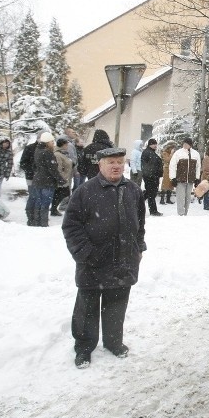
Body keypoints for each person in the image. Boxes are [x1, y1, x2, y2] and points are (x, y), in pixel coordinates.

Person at [62, 147, 146, 369]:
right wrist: (85, 253)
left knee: (117, 304)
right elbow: (71, 226)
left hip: (124, 259)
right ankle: (84, 347)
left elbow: (140, 224)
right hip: (93, 261)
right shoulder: (86, 191)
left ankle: (113, 342)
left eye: (119, 161)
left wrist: (139, 248)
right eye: (110, 162)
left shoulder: (134, 190)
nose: (116, 166)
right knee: (87, 307)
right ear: (100, 165)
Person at [29, 132, 64, 227]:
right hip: (47, 181)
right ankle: (44, 223)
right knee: (45, 203)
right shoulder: (47, 152)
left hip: (38, 180)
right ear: (48, 142)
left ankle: (37, 222)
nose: (53, 143)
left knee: (38, 202)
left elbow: (34, 165)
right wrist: (60, 179)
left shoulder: (37, 150)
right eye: (52, 141)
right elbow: (52, 168)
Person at [169, 137, 200, 216]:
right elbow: (172, 165)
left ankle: (185, 213)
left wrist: (197, 178)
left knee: (187, 198)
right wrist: (173, 178)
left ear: (190, 145)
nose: (185, 145)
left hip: (190, 179)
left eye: (187, 144)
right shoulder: (178, 153)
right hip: (180, 179)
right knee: (181, 197)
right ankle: (181, 214)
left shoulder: (196, 154)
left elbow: (198, 167)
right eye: (184, 143)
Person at [51, 138, 74, 217]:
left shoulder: (63, 153)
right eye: (66, 145)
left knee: (63, 193)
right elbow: (59, 167)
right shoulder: (58, 154)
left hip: (66, 177)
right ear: (63, 145)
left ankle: (54, 209)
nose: (67, 146)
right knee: (61, 193)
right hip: (62, 178)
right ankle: (53, 209)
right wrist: (61, 178)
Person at [141, 139, 163, 217]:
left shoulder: (152, 153)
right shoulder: (147, 152)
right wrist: (149, 175)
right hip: (150, 177)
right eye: (153, 144)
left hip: (154, 177)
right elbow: (145, 166)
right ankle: (153, 211)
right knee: (151, 194)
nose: (155, 145)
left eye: (156, 144)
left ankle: (137, 203)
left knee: (149, 193)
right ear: (149, 144)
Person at [159, 140, 176, 205]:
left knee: (171, 184)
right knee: (165, 184)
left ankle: (168, 199)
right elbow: (167, 160)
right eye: (172, 147)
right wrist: (171, 154)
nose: (173, 149)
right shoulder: (165, 152)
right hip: (166, 170)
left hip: (172, 169)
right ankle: (162, 199)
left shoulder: (173, 153)